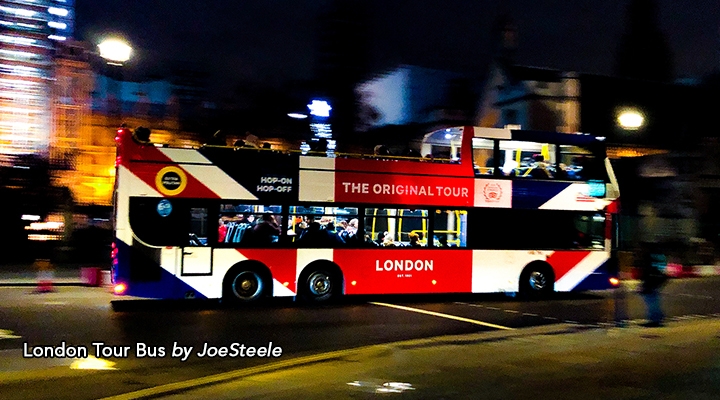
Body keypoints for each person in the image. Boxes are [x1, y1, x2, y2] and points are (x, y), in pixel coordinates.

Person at [638, 243, 668, 327]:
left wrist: (643, 283)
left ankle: (655, 320)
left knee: (651, 301)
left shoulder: (649, 257)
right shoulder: (661, 256)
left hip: (651, 281)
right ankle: (658, 318)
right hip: (657, 281)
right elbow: (662, 269)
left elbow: (647, 271)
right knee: (654, 300)